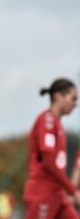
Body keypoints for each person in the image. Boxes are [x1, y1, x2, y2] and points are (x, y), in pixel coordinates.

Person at [23, 78, 79, 219]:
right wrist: (72, 190)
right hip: (42, 193)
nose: (75, 104)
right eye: (73, 98)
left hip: (57, 194)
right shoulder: (46, 121)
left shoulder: (57, 123)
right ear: (57, 97)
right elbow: (48, 162)